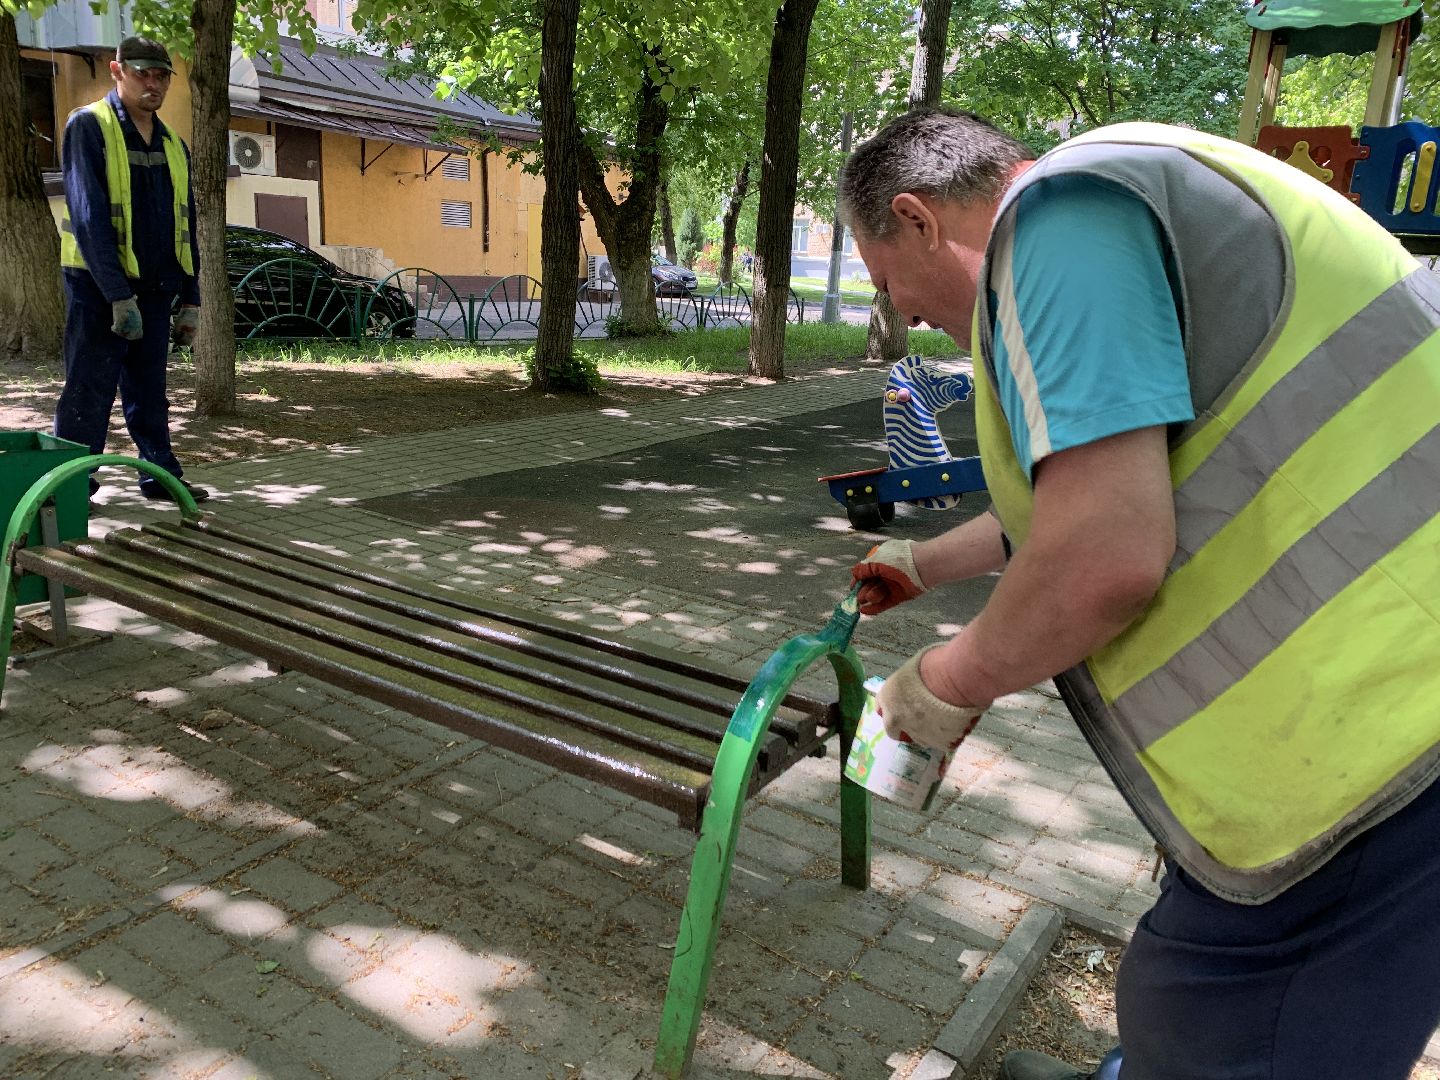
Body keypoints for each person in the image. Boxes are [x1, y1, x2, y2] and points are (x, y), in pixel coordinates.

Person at [841, 107, 1440, 1080]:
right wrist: (923, 564)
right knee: (1207, 1002)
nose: (901, 313)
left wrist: (948, 681)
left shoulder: (1059, 219)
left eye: (885, 283)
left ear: (917, 220)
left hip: (1386, 734)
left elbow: (1103, 553)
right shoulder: (1119, 198)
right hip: (1384, 713)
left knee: (1221, 1026)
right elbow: (1102, 489)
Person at [54, 35, 209, 504]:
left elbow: (186, 223)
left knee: (150, 391)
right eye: (143, 73)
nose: (153, 83)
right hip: (98, 288)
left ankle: (160, 478)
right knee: (89, 389)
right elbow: (89, 217)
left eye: (161, 76)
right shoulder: (89, 127)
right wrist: (118, 295)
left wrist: (192, 298)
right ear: (117, 70)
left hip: (158, 286)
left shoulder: (174, 145)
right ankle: (70, 489)